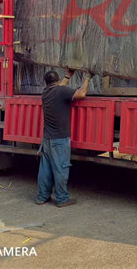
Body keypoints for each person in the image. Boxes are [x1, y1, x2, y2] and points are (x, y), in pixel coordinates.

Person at [36, 68, 91, 207]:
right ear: (58, 79)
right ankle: (62, 199)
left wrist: (68, 76)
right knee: (61, 168)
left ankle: (42, 197)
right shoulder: (61, 91)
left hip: (47, 139)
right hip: (59, 139)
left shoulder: (45, 92)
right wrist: (88, 77)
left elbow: (59, 88)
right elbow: (82, 94)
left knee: (45, 170)